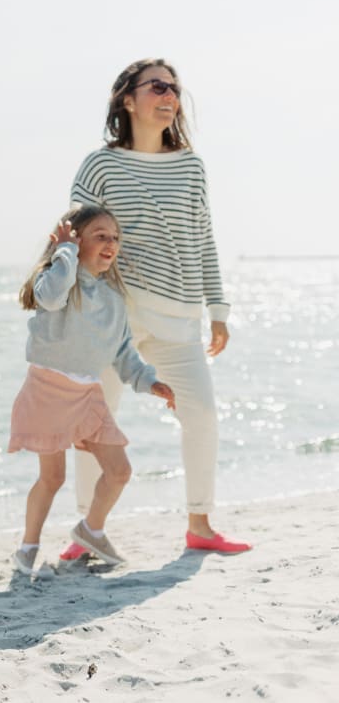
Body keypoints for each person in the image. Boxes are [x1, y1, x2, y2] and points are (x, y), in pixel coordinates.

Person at [59, 58, 252, 562]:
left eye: (175, 89)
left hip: (178, 313)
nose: (170, 96)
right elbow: (76, 236)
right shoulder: (100, 164)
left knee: (202, 414)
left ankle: (200, 524)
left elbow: (203, 238)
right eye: (158, 86)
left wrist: (219, 309)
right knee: (95, 422)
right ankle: (86, 530)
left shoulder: (191, 165)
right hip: (112, 315)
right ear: (128, 99)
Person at [8, 205, 176, 574]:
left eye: (115, 237)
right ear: (74, 240)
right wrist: (64, 253)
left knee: (119, 470)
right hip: (47, 390)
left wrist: (149, 381)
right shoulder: (57, 279)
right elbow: (50, 298)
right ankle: (27, 547)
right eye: (101, 235)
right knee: (52, 478)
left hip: (87, 395)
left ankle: (91, 529)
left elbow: (122, 351)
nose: (111, 243)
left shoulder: (113, 299)